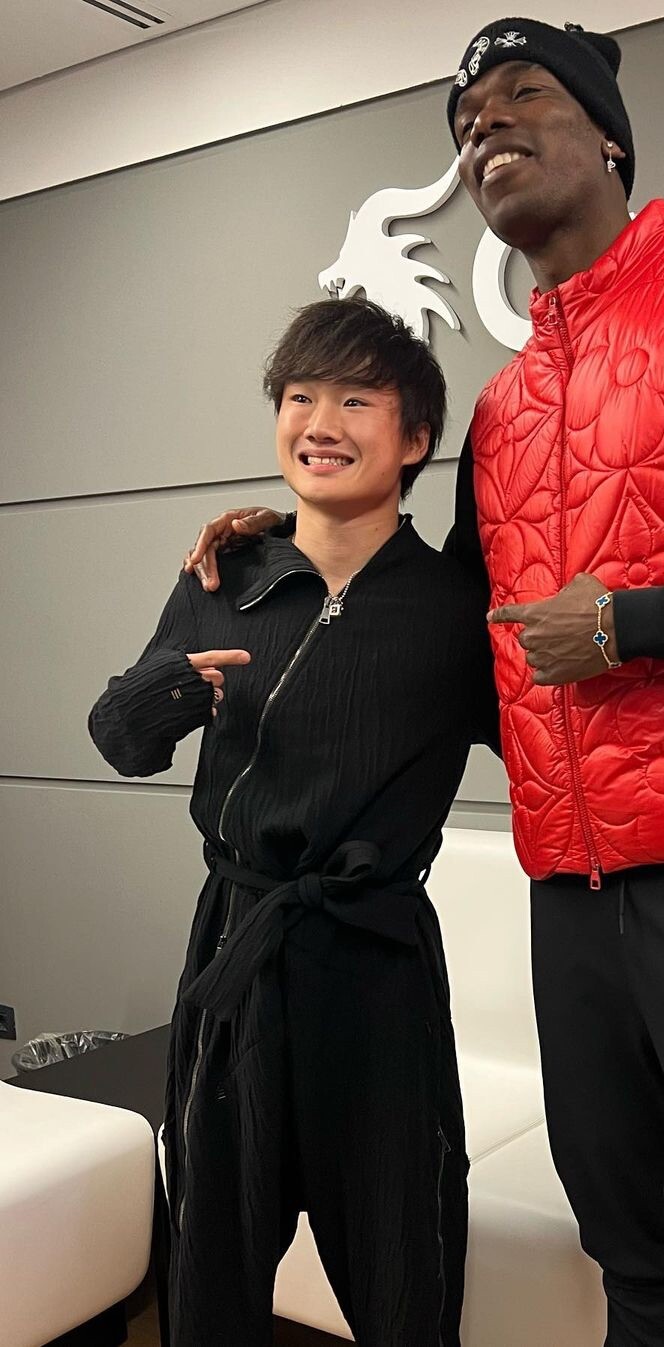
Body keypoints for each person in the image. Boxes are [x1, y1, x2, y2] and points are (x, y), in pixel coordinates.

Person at [186, 18, 664, 1347]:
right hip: (573, 894)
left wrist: (638, 622)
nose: (489, 127)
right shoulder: (504, 408)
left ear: (609, 137)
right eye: (467, 121)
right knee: (635, 1267)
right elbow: (446, 637)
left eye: (524, 94)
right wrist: (291, 544)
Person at [89, 297, 494, 1347]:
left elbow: (565, 746)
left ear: (414, 438)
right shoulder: (226, 575)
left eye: (356, 401)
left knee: (407, 1270)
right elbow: (118, 737)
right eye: (300, 397)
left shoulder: (456, 609)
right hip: (238, 948)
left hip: (376, 967)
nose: (320, 422)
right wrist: (169, 691)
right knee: (211, 1269)